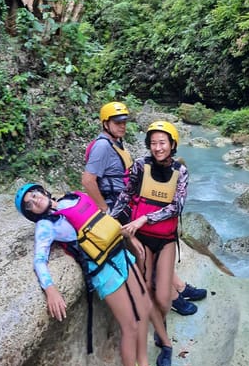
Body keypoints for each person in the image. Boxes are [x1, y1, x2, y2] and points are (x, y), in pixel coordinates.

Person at [82, 102, 207, 315]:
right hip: (119, 206)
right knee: (148, 252)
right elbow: (90, 181)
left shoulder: (116, 143)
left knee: (159, 246)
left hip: (135, 207)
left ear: (172, 144)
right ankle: (174, 296)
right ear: (105, 123)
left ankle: (180, 287)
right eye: (117, 122)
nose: (122, 126)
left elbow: (175, 204)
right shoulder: (105, 146)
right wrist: (107, 213)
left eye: (124, 122)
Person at [15, 182, 155, 366]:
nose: (35, 199)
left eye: (34, 194)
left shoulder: (71, 198)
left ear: (43, 191)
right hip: (103, 270)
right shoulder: (45, 225)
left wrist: (129, 236)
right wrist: (50, 289)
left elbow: (102, 222)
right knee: (129, 326)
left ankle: (143, 363)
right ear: (31, 213)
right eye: (29, 204)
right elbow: (39, 260)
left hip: (121, 254)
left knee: (144, 306)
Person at [110, 120, 188, 366]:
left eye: (162, 143)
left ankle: (159, 327)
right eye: (153, 143)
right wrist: (110, 219)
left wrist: (145, 217)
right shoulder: (140, 167)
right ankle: (165, 343)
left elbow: (177, 206)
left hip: (164, 239)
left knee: (163, 297)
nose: (157, 147)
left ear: (172, 144)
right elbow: (126, 194)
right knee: (146, 290)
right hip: (141, 239)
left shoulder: (181, 171)